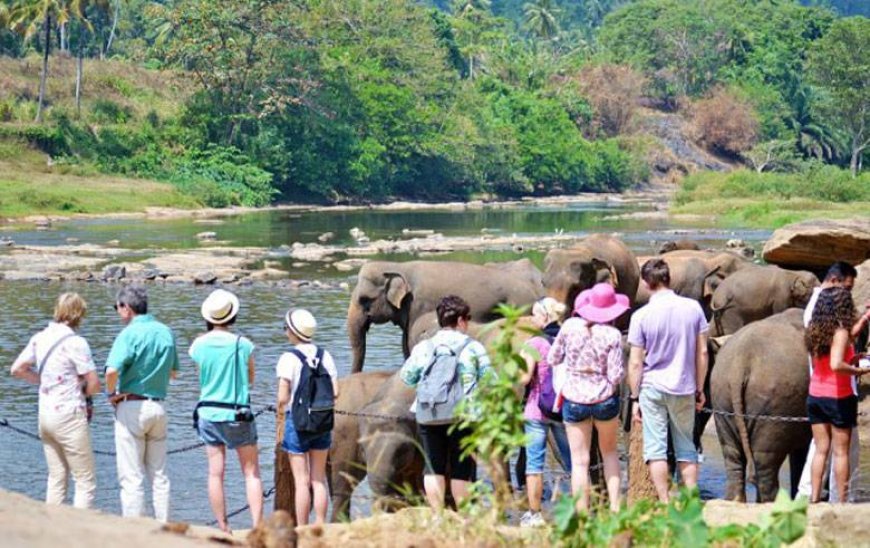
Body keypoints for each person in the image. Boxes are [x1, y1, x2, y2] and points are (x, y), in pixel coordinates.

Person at [627, 259, 709, 502]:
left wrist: (634, 397)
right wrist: (699, 388)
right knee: (687, 447)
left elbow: (635, 362)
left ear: (646, 284)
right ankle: (691, 500)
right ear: (669, 279)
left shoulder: (640, 316)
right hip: (684, 386)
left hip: (652, 388)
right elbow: (702, 352)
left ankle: (664, 502)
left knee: (655, 450)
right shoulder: (693, 308)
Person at [400, 295, 491, 511]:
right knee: (462, 468)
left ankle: (437, 515)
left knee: (433, 467)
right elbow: (490, 380)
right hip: (464, 415)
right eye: (467, 318)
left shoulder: (425, 347)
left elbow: (407, 377)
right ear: (460, 320)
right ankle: (464, 516)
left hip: (429, 413)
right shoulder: (473, 347)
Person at [10, 293, 100, 509]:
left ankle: (52, 530)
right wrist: (84, 390)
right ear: (79, 314)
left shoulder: (39, 337)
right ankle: (81, 532)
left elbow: (17, 369)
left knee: (56, 476)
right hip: (69, 414)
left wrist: (43, 380)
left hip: (45, 415)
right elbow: (94, 384)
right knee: (85, 480)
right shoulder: (76, 342)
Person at [190, 289, 262, 533]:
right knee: (251, 473)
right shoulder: (243, 344)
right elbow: (251, 377)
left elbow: (201, 373)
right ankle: (256, 526)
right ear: (232, 317)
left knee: (215, 474)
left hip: (208, 413)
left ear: (209, 317)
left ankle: (223, 526)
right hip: (238, 414)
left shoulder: (198, 344)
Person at [550, 284, 627, 513]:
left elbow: (554, 358)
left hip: (574, 400)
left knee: (579, 462)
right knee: (610, 454)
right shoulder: (612, 335)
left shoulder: (569, 327)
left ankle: (581, 514)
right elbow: (615, 375)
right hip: (604, 401)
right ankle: (614, 509)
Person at [105, 285, 179, 522]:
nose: (117, 312)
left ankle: (134, 529)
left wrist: (111, 394)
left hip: (131, 405)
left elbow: (112, 371)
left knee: (132, 475)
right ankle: (164, 525)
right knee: (160, 475)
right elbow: (174, 372)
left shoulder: (128, 334)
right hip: (158, 406)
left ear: (127, 307)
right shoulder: (166, 331)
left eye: (117, 307)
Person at [797, 261, 866, 501]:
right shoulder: (840, 330)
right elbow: (837, 364)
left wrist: (864, 319)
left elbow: (823, 361)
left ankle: (814, 498)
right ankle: (841, 502)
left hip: (815, 395)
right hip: (839, 396)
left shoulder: (816, 327)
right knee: (841, 453)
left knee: (820, 451)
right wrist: (858, 371)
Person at [276, 308, 339, 526]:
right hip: (322, 422)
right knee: (318, 479)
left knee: (301, 482)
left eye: (286, 328)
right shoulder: (325, 355)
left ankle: (302, 527)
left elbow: (283, 397)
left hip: (299, 422)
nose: (286, 332)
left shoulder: (289, 358)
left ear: (293, 332)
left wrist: (282, 404)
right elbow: (336, 392)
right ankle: (321, 523)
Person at [518, 297, 572, 527]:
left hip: (536, 410)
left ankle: (535, 514)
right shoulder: (568, 339)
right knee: (574, 463)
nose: (532, 319)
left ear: (545, 316)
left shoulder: (534, 343)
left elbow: (524, 377)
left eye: (535, 315)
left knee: (534, 463)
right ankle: (578, 509)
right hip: (563, 409)